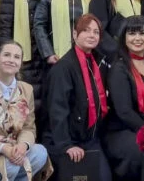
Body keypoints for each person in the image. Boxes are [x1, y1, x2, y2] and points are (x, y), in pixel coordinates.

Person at [0, 39, 51, 181]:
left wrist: (22, 146)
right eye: (7, 55)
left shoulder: (26, 89)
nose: (11, 60)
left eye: (17, 57)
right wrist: (4, 149)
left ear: (20, 64)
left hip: (15, 150)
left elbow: (29, 128)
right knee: (11, 166)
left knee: (40, 153)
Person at [45, 14, 112, 181]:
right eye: (86, 30)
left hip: (89, 137)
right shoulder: (63, 67)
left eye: (96, 32)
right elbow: (57, 110)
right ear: (75, 34)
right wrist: (66, 145)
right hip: (66, 140)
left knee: (105, 177)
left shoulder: (96, 62)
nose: (92, 35)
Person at [105, 16, 144, 180]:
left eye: (142, 33)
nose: (137, 39)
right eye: (132, 34)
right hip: (123, 129)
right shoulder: (119, 68)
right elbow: (124, 112)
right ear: (124, 38)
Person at [0, 0, 52, 108]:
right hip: (22, 55)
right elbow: (5, 27)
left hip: (43, 54)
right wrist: (8, 56)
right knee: (23, 103)